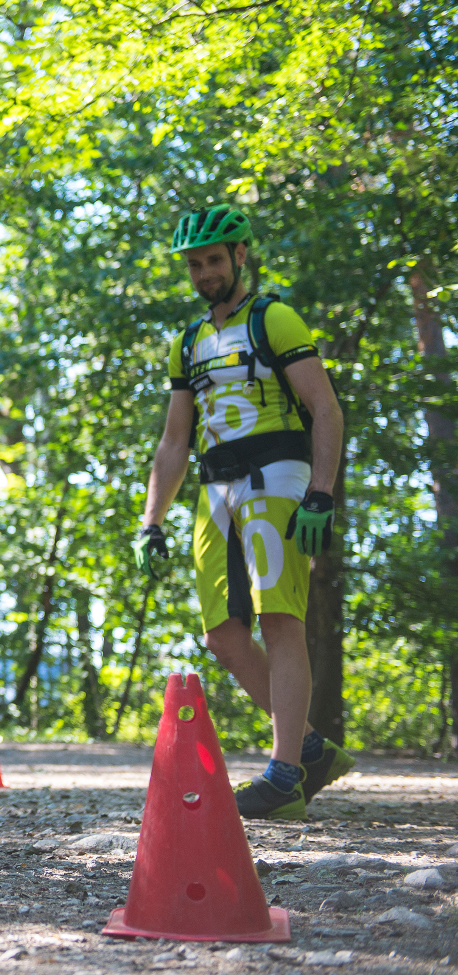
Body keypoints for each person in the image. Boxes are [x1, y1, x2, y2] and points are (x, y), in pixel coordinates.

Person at [137, 204, 355, 820]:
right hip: (216, 491)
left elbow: (326, 409)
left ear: (240, 256)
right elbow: (174, 441)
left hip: (279, 481)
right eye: (195, 264)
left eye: (214, 259)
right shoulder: (189, 342)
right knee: (223, 634)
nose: (205, 273)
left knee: (279, 618)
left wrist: (320, 492)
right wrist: (151, 520)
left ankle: (285, 775)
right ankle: (310, 749)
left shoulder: (275, 319)